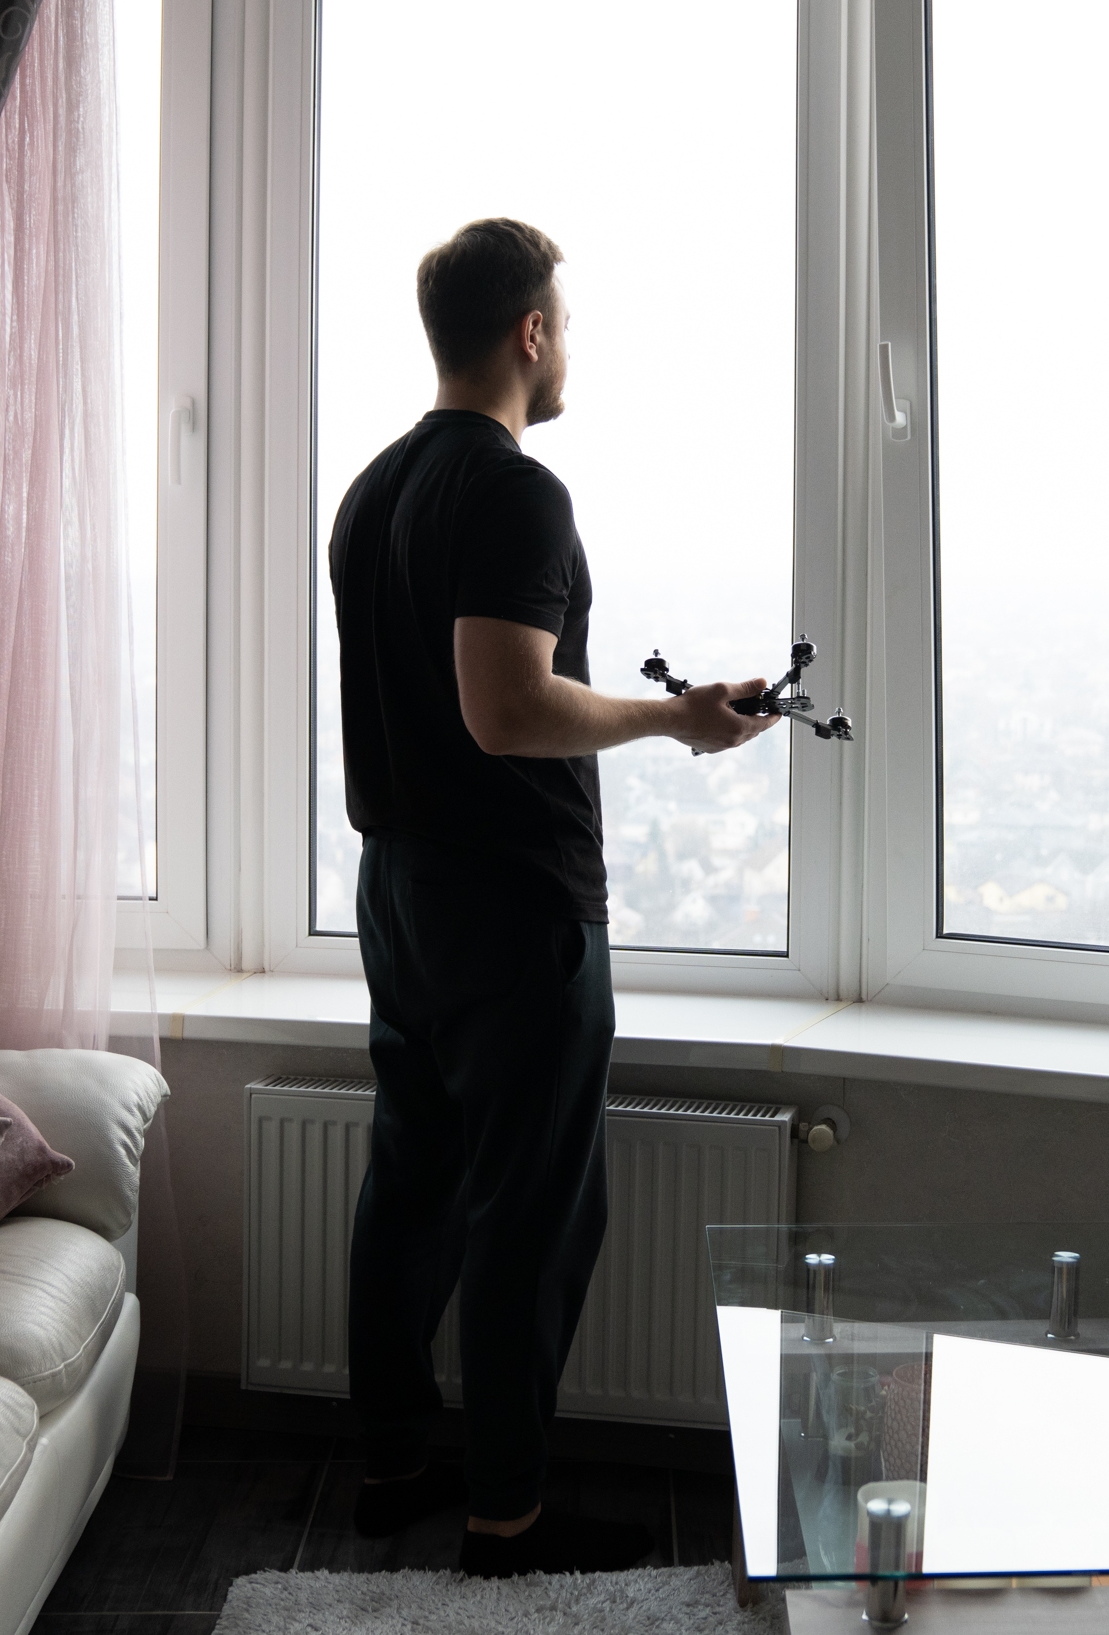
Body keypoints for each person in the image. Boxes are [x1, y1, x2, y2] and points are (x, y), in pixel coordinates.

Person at [326, 216, 777, 1576]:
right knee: (530, 1209)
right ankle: (507, 1514)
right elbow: (506, 708)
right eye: (562, 323)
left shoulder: (372, 489)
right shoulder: (517, 493)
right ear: (529, 332)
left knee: (408, 1183)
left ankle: (390, 1458)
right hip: (509, 909)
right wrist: (673, 717)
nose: (565, 346)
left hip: (395, 891)